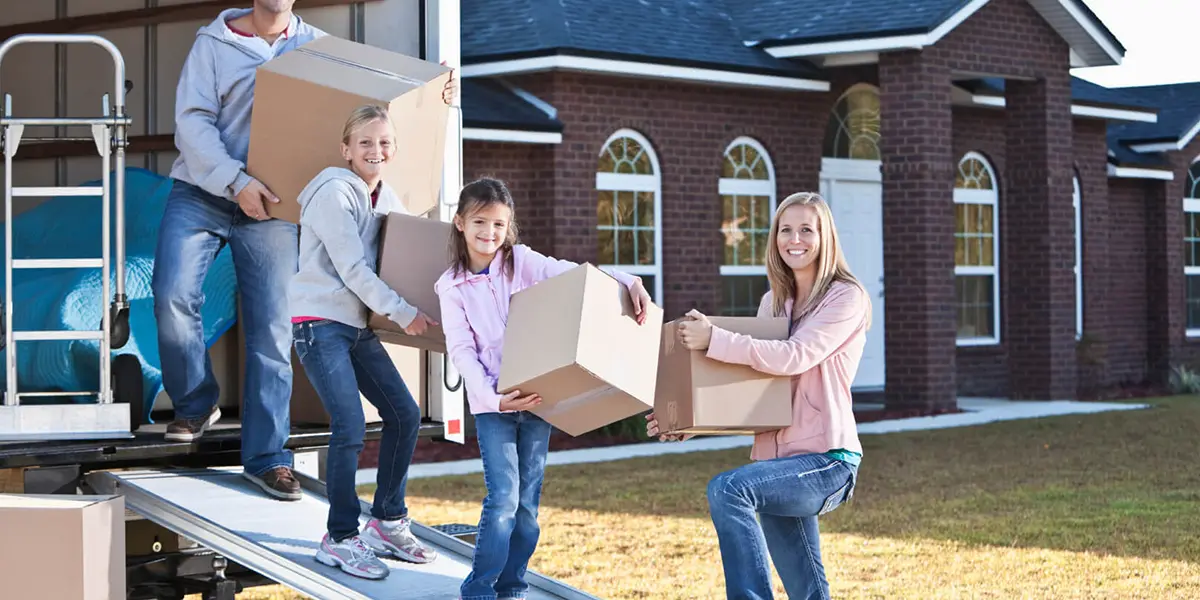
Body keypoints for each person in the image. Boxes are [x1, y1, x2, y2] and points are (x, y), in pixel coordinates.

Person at [154, 0, 456, 501]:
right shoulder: (213, 44)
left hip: (273, 206)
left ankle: (268, 458)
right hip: (204, 191)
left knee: (273, 330)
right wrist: (235, 181)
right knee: (172, 296)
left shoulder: (314, 49)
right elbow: (192, 123)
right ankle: (195, 401)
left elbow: (378, 91)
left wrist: (434, 89)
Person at [646, 191, 871, 600]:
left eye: (807, 229)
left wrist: (714, 338)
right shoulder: (775, 301)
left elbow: (794, 357)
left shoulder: (845, 297)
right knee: (808, 591)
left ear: (826, 237)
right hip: (777, 463)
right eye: (786, 229)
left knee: (730, 489)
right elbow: (759, 385)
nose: (795, 239)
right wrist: (691, 423)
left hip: (827, 461)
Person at [434, 178, 652, 600]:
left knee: (527, 510)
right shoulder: (451, 287)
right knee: (502, 502)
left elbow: (573, 275)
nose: (490, 233)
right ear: (460, 223)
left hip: (536, 400)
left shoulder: (521, 262)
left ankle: (513, 586)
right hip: (494, 405)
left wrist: (626, 280)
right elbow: (461, 350)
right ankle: (479, 590)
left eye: (499, 224)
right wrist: (493, 398)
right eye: (480, 222)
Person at [288, 104, 439, 579]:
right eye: (367, 142)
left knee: (404, 414)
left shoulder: (384, 195)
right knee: (349, 424)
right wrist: (405, 313)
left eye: (385, 142)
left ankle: (387, 521)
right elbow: (353, 269)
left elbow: (409, 248)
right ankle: (339, 537)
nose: (377, 150)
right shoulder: (333, 193)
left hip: (356, 325)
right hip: (319, 322)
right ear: (346, 150)